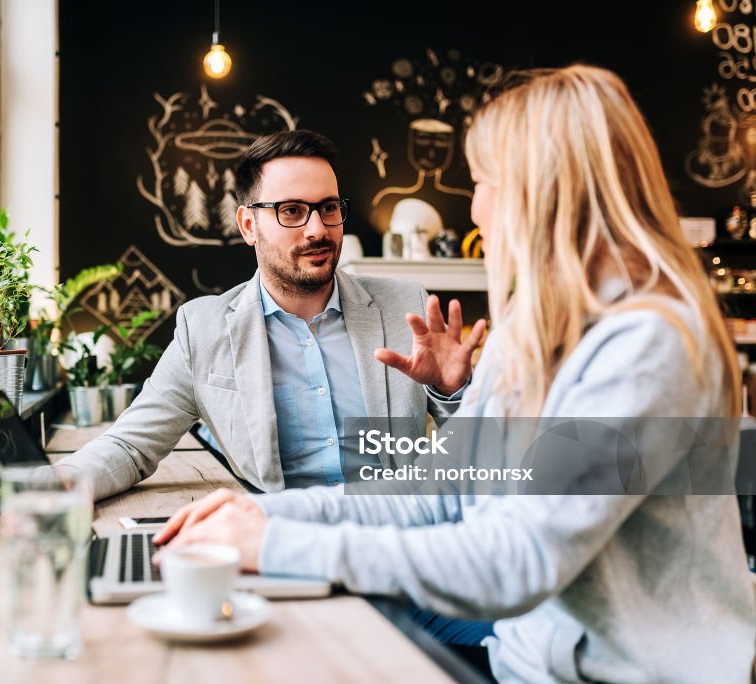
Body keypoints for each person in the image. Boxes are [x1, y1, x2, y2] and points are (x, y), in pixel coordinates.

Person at [153, 66, 756, 682]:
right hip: (526, 662)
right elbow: (438, 493)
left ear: (543, 190)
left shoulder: (649, 344)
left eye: (484, 182)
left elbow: (519, 558)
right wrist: (263, 517)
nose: (475, 208)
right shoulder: (531, 329)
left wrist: (274, 547)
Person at [55, 130, 483, 500]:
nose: (318, 229)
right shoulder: (203, 330)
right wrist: (47, 487)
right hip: (280, 545)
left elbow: (493, 456)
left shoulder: (405, 305)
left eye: (329, 208)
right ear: (248, 225)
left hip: (395, 540)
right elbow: (131, 446)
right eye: (292, 211)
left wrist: (455, 392)